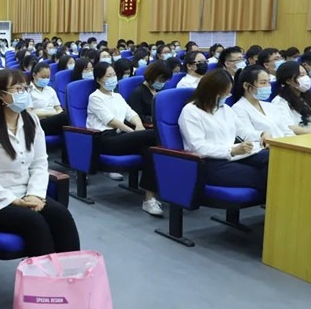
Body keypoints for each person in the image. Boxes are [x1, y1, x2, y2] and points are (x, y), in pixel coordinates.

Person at [0, 69, 80, 256]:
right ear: (1, 95)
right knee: (35, 223)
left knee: (62, 216)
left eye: (25, 88)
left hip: (28, 193)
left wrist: (35, 194)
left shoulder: (31, 120)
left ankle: (70, 270)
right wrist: (14, 200)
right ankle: (42, 274)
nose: (24, 93)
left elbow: (39, 163)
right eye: (18, 89)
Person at [87, 62, 162, 215]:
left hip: (122, 137)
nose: (113, 78)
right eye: (108, 76)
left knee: (150, 151)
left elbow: (131, 113)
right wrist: (133, 133)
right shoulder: (95, 97)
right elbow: (110, 120)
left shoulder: (118, 96)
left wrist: (139, 126)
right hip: (105, 139)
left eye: (114, 75)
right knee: (154, 134)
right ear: (99, 79)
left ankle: (149, 200)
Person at [179, 70, 271, 193]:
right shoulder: (191, 112)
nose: (227, 96)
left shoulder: (225, 109)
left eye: (228, 93)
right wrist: (231, 151)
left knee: (273, 159)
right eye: (223, 93)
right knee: (262, 176)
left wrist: (261, 134)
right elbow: (198, 147)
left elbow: (242, 131)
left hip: (234, 155)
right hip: (210, 162)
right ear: (210, 91)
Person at [231, 65, 294, 139]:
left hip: (283, 143)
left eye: (268, 82)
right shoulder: (238, 109)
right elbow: (246, 135)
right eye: (263, 83)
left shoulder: (270, 106)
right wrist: (262, 134)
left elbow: (286, 130)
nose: (268, 86)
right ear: (246, 85)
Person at [271, 61, 311, 134]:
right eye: (301, 75)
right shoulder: (280, 102)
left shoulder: (306, 95)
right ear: (288, 81)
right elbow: (289, 127)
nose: (306, 78)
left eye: (306, 74)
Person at [128, 60, 172, 124]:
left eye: (165, 81)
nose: (163, 83)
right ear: (151, 76)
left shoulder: (160, 90)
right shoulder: (138, 93)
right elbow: (137, 116)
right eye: (161, 80)